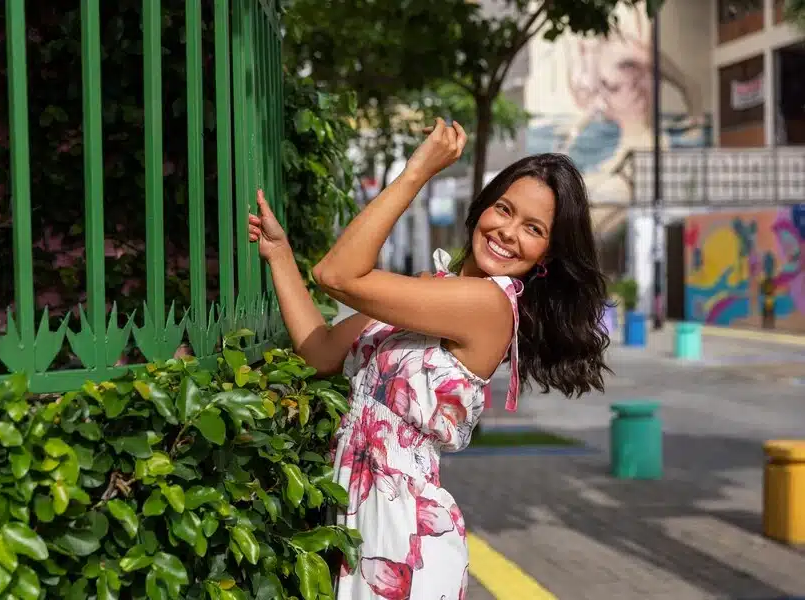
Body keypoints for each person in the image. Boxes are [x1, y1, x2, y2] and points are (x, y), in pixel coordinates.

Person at [248, 118, 610, 599]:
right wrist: (279, 254)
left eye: (533, 228)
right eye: (503, 208)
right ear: (481, 208)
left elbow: (336, 274)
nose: (507, 231)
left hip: (401, 539)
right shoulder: (429, 291)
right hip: (355, 523)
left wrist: (419, 170)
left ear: (545, 255)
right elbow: (321, 353)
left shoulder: (489, 306)